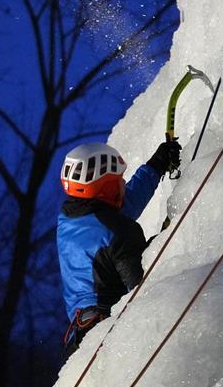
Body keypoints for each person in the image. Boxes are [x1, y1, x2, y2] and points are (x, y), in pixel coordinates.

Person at [57, 140, 181, 358]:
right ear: (107, 187)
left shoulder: (70, 218)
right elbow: (141, 286)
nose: (123, 183)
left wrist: (156, 165)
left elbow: (120, 209)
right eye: (118, 180)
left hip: (79, 337)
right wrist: (162, 242)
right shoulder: (119, 232)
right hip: (110, 336)